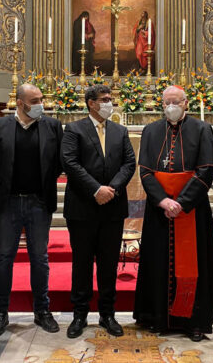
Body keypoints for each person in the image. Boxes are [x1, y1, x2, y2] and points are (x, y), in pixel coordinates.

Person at [134, 85, 213, 342]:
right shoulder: (150, 131)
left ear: (186, 104)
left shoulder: (202, 129)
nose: (171, 106)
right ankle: (157, 318)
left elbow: (206, 170)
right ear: (162, 105)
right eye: (166, 102)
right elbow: (146, 172)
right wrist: (162, 201)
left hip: (191, 211)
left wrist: (181, 202)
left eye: (176, 102)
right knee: (157, 262)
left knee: (195, 265)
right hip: (160, 211)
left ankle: (193, 321)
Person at [0, 84, 64, 337]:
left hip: (39, 202)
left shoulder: (52, 126)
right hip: (8, 203)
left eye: (41, 99)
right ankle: (0, 312)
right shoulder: (0, 126)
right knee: (4, 257)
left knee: (39, 258)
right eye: (35, 100)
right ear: (20, 102)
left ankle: (42, 310)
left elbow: (59, 161)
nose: (41, 103)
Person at [61, 84, 136, 338]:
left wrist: (112, 189)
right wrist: (96, 190)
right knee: (81, 263)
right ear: (91, 103)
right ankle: (80, 315)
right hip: (82, 207)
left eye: (110, 98)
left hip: (112, 208)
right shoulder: (74, 129)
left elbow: (129, 163)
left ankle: (108, 314)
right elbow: (70, 162)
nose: (109, 102)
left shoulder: (120, 130)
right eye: (104, 99)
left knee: (108, 263)